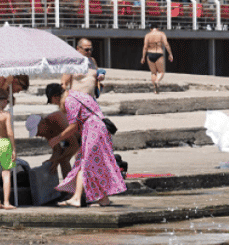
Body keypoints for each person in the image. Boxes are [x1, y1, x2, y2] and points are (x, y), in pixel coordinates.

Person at [49, 71, 124, 207]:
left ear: (55, 96)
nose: (53, 104)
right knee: (93, 162)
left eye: (52, 101)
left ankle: (77, 197)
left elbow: (73, 126)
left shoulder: (69, 101)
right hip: (98, 128)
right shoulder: (76, 94)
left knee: (85, 162)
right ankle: (103, 199)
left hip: (93, 128)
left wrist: (57, 138)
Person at [36, 82, 79, 177]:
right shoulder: (47, 130)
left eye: (37, 132)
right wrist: (52, 160)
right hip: (78, 133)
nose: (37, 135)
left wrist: (57, 160)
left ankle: (74, 189)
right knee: (63, 159)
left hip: (89, 132)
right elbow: (57, 150)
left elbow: (74, 144)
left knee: (68, 160)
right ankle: (68, 189)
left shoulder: (59, 113)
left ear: (55, 97)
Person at [141, 25, 173, 93]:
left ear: (150, 28)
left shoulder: (147, 35)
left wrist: (143, 57)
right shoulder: (161, 34)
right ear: (158, 28)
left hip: (150, 54)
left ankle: (155, 90)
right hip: (159, 53)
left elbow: (145, 47)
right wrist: (170, 54)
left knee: (153, 73)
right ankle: (157, 81)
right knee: (161, 72)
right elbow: (166, 44)